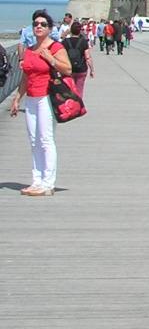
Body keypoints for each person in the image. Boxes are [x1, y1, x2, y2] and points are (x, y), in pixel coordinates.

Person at [9, 11, 72, 196]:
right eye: (36, 23)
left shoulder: (55, 47)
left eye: (43, 24)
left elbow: (67, 69)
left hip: (47, 97)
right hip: (31, 98)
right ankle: (36, 181)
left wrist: (50, 59)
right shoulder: (29, 50)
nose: (38, 26)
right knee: (34, 141)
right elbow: (26, 77)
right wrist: (17, 98)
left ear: (50, 28)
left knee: (46, 140)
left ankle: (48, 183)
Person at [61, 20, 92, 98]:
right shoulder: (84, 42)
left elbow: (61, 56)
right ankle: (78, 106)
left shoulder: (65, 42)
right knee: (79, 89)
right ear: (80, 31)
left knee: (68, 89)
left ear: (71, 30)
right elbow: (87, 57)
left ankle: (69, 105)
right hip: (81, 69)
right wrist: (92, 69)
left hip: (68, 69)